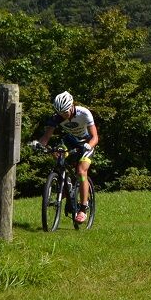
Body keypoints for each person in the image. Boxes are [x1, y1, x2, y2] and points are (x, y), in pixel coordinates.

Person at [37, 91, 99, 224]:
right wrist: (39, 145)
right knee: (57, 153)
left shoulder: (84, 113)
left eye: (65, 112)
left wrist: (89, 146)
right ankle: (65, 184)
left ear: (72, 106)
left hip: (86, 142)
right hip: (70, 140)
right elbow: (46, 138)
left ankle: (83, 208)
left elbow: (95, 137)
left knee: (82, 171)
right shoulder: (57, 117)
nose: (63, 115)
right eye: (60, 113)